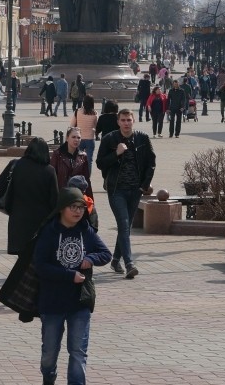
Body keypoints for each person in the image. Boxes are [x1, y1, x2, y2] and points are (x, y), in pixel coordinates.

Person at [33, 187, 112, 385]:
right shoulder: (49, 232)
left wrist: (90, 259)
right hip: (52, 302)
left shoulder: (86, 230)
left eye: (81, 207)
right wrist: (69, 275)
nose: (77, 212)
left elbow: (105, 253)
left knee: (78, 351)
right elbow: (40, 266)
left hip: (79, 302)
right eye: (73, 207)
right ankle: (48, 380)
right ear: (62, 208)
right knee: (49, 353)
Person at [96, 108, 156, 279]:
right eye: (123, 120)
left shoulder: (143, 139)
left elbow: (151, 163)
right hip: (116, 190)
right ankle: (129, 263)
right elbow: (100, 163)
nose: (126, 123)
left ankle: (115, 259)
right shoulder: (110, 139)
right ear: (118, 122)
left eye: (129, 120)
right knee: (123, 224)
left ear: (133, 121)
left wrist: (144, 185)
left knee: (126, 227)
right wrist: (116, 153)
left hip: (135, 190)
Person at [4, 137, 59, 255]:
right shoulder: (49, 171)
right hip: (41, 222)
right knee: (38, 257)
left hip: (18, 219)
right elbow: (54, 200)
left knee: (22, 258)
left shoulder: (17, 165)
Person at [50, 126, 93, 191]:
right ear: (67, 138)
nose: (76, 140)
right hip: (61, 194)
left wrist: (90, 199)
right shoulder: (57, 154)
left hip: (77, 195)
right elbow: (51, 177)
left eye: (79, 137)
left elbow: (86, 179)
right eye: (73, 137)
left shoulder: (83, 156)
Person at [70, 95, 99, 166]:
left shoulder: (77, 112)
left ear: (83, 102)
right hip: (90, 139)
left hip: (79, 138)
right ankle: (87, 176)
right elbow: (95, 126)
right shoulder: (95, 113)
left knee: (77, 159)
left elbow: (72, 125)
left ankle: (78, 175)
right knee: (89, 160)